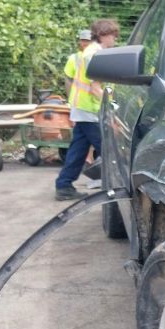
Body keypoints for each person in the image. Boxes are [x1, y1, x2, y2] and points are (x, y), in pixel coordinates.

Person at [54, 19, 119, 200]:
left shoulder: (90, 52)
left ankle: (64, 185)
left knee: (79, 149)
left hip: (82, 108)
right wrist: (114, 109)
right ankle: (116, 188)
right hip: (89, 110)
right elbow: (95, 88)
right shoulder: (95, 55)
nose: (115, 39)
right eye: (113, 35)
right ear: (104, 35)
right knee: (108, 150)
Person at [63, 29, 93, 97]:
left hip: (95, 103)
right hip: (77, 102)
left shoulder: (97, 57)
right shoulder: (73, 58)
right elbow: (68, 81)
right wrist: (69, 99)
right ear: (79, 41)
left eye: (88, 41)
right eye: (83, 40)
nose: (85, 43)